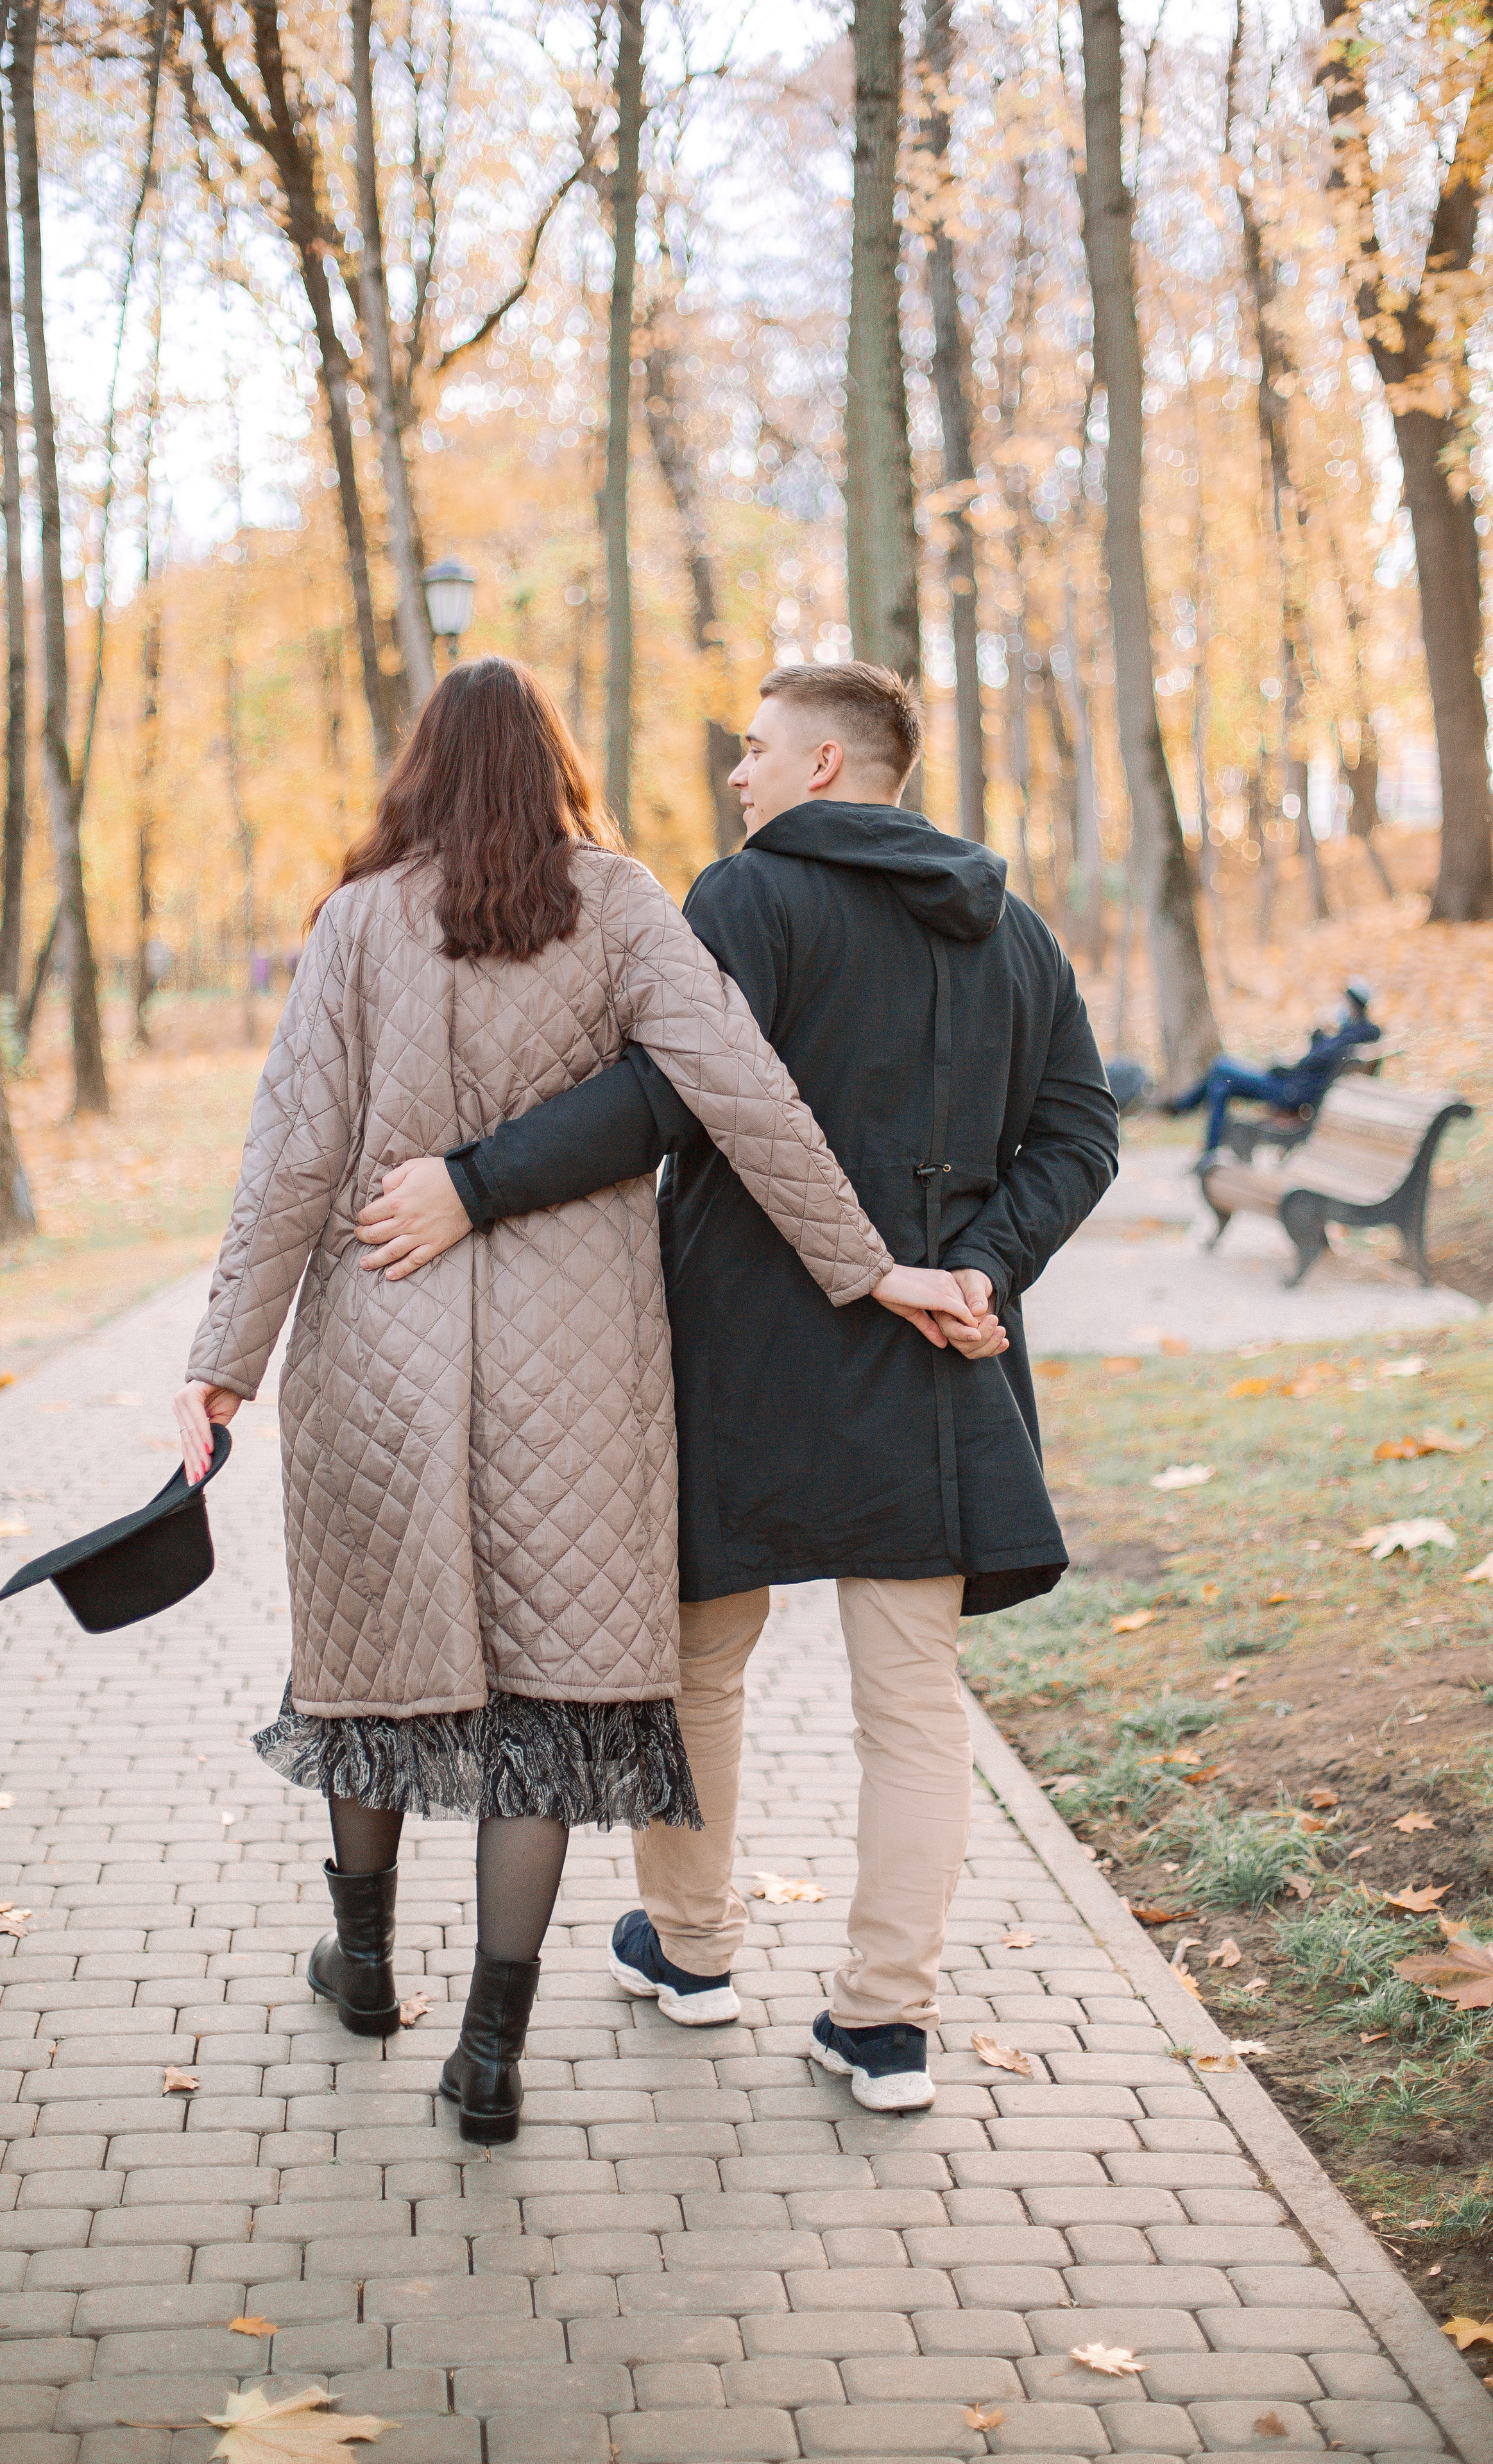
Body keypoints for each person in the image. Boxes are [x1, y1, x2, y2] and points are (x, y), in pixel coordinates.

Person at [171, 657, 973, 2146]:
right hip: (583, 1374)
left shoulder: (352, 923)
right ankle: (489, 2052)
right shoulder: (617, 903)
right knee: (536, 1714)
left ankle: (358, 1964)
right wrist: (867, 1270)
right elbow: (746, 1096)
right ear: (552, 767)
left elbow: (289, 1159)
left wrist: (222, 1362)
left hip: (376, 1352)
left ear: (418, 770)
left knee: (369, 1675)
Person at [352, 661, 1119, 2112]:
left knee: (696, 1664)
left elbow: (662, 1094)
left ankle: (692, 1948)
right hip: (928, 1363)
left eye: (756, 749)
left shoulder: (746, 899)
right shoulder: (1014, 931)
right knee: (911, 1705)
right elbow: (1081, 1134)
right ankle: (883, 2023)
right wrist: (973, 1266)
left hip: (737, 1351)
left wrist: (470, 1184)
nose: (737, 774)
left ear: (825, 766)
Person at [1162, 979, 1381, 1158]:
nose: (1339, 1004)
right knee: (1220, 1087)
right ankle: (1208, 1153)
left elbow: (1311, 1062)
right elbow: (1317, 1062)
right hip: (1292, 1087)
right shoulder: (1351, 1034)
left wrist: (1318, 1034)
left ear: (1353, 1004)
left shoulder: (1353, 1035)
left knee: (1221, 1066)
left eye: (1344, 1000)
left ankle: (1184, 1109)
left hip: (1290, 1092)